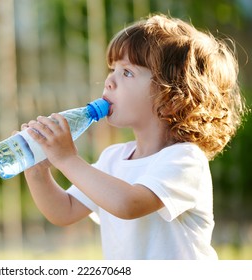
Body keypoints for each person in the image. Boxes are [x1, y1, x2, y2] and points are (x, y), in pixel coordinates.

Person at [21, 14, 246, 259]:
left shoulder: (185, 160)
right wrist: (37, 170)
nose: (109, 81)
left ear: (171, 97)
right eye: (112, 69)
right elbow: (64, 211)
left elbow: (129, 204)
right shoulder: (113, 158)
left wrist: (67, 159)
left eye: (127, 72)